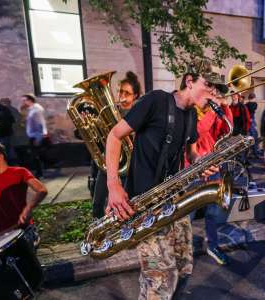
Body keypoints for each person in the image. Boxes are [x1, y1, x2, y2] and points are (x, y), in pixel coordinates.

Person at [105, 59, 224, 299]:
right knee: (159, 277)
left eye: (215, 88)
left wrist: (201, 163)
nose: (213, 92)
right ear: (189, 81)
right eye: (209, 85)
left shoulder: (191, 115)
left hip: (172, 200)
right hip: (145, 203)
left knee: (183, 265)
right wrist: (113, 185)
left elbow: (189, 152)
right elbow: (114, 136)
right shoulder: (156, 100)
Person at [187, 93, 233, 265]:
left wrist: (225, 107)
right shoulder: (190, 112)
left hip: (213, 167)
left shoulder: (210, 112)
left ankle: (212, 245)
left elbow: (227, 129)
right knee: (187, 215)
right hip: (193, 171)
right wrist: (214, 110)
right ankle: (183, 250)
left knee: (213, 212)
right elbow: (197, 132)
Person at [92, 71, 142, 218]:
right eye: (120, 91)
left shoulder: (140, 114)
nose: (122, 96)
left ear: (136, 96)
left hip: (129, 168)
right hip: (108, 166)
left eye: (127, 93)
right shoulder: (110, 112)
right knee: (98, 203)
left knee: (124, 204)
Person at [21, 94, 48, 178]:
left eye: (24, 100)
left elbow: (41, 122)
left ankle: (40, 174)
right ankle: (40, 173)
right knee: (36, 155)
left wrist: (40, 136)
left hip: (36, 136)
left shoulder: (36, 110)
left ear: (30, 100)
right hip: (34, 135)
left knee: (36, 155)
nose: (23, 102)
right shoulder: (32, 109)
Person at [245, 93, 260, 157]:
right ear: (254, 98)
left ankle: (250, 153)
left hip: (248, 121)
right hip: (251, 121)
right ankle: (254, 152)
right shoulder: (254, 104)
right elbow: (252, 109)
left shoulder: (246, 105)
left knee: (249, 138)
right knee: (254, 137)